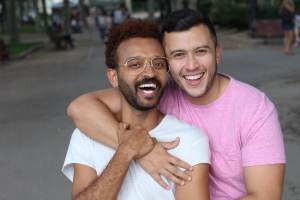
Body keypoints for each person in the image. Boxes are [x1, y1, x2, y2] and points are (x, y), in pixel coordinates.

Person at [67, 9, 286, 199]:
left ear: (217, 53)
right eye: (178, 54)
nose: (192, 66)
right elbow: (80, 108)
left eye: (201, 51)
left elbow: (265, 196)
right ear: (168, 62)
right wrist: (141, 150)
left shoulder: (254, 108)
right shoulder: (159, 91)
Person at [62, 19, 210, 200]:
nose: (149, 73)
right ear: (114, 77)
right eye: (135, 64)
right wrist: (125, 153)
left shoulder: (190, 140)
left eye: (158, 64)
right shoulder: (86, 135)